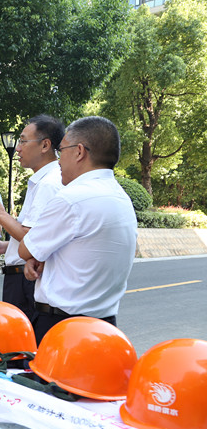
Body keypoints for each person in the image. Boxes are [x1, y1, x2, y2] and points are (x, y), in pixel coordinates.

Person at [18, 116, 137, 342]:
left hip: (63, 329)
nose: (58, 161)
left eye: (61, 150)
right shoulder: (121, 197)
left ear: (79, 151)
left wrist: (36, 256)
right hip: (104, 328)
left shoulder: (71, 198)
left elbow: (25, 250)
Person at [0, 115, 65, 322]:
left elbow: (32, 238)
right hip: (21, 276)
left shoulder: (48, 183)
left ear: (45, 145)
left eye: (23, 141)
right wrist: (6, 246)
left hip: (26, 278)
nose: (18, 148)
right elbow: (38, 236)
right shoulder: (43, 180)